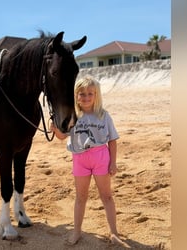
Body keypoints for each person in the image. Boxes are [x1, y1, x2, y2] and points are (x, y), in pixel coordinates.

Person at [50, 75, 124, 245]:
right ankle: (77, 232)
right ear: (76, 95)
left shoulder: (104, 116)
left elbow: (112, 140)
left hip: (100, 158)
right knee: (80, 197)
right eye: (82, 94)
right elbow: (63, 137)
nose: (86, 97)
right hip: (79, 159)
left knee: (106, 196)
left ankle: (114, 232)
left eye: (90, 93)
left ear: (96, 95)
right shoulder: (72, 116)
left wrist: (113, 162)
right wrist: (55, 130)